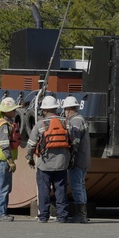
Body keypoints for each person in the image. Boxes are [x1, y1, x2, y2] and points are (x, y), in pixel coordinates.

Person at [25, 95, 71, 223]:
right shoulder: (66, 123)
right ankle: (62, 216)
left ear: (44, 110)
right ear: (56, 108)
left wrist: (29, 157)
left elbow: (32, 144)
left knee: (44, 190)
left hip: (44, 164)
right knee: (61, 190)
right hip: (62, 163)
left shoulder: (40, 124)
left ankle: (43, 216)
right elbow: (73, 142)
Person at [0, 97, 21, 222]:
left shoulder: (1, 122)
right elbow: (5, 144)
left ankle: (1, 212)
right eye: (13, 110)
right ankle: (0, 213)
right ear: (7, 111)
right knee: (3, 187)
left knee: (5, 186)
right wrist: (9, 160)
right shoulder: (4, 125)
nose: (15, 112)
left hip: (1, 158)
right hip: (2, 159)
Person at [62, 95, 90, 223]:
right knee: (81, 185)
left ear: (68, 109)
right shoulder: (80, 119)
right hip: (83, 158)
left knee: (76, 186)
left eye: (65, 110)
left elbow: (75, 141)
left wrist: (71, 156)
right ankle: (82, 213)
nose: (64, 113)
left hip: (78, 159)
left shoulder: (75, 121)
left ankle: (81, 215)